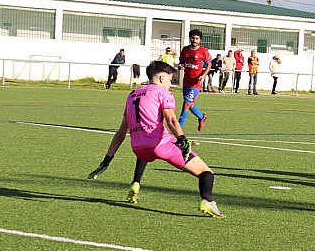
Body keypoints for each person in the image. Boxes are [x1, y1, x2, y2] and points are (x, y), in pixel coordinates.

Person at [86, 61, 224, 218]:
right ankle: (207, 200)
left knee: (148, 144)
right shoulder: (163, 93)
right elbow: (171, 120)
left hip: (138, 149)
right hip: (160, 146)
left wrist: (106, 160)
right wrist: (182, 140)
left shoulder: (132, 95)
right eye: (170, 80)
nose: (171, 85)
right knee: (206, 172)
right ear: (161, 78)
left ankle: (135, 183)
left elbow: (120, 133)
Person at [178, 29, 211, 131]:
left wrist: (203, 75)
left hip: (196, 82)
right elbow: (182, 62)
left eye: (197, 38)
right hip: (186, 80)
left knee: (186, 104)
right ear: (190, 38)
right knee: (190, 103)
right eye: (193, 38)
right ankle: (202, 117)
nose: (194, 40)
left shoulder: (203, 51)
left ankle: (177, 130)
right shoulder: (185, 50)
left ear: (200, 40)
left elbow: (209, 64)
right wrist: (181, 66)